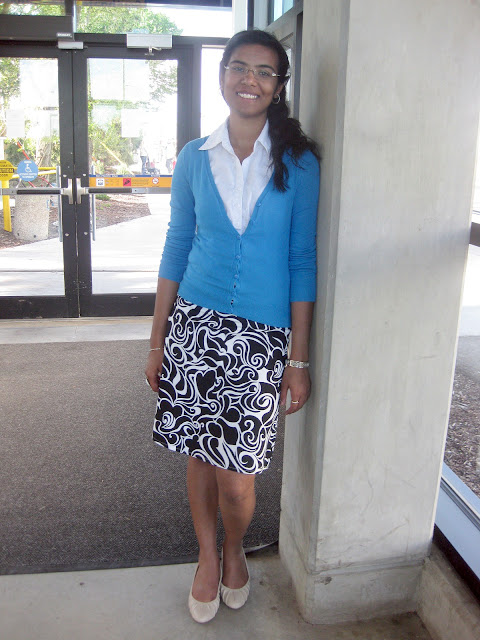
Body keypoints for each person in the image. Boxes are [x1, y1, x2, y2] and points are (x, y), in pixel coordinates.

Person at [145, 29, 320, 623]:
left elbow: (302, 260)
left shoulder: (299, 163)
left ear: (279, 86)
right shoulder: (195, 157)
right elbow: (177, 246)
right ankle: (206, 556)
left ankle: (235, 544)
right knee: (199, 456)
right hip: (194, 326)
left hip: (262, 339)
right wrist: (156, 341)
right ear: (222, 75)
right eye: (240, 67)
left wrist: (299, 359)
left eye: (265, 71)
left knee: (238, 477)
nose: (251, 79)